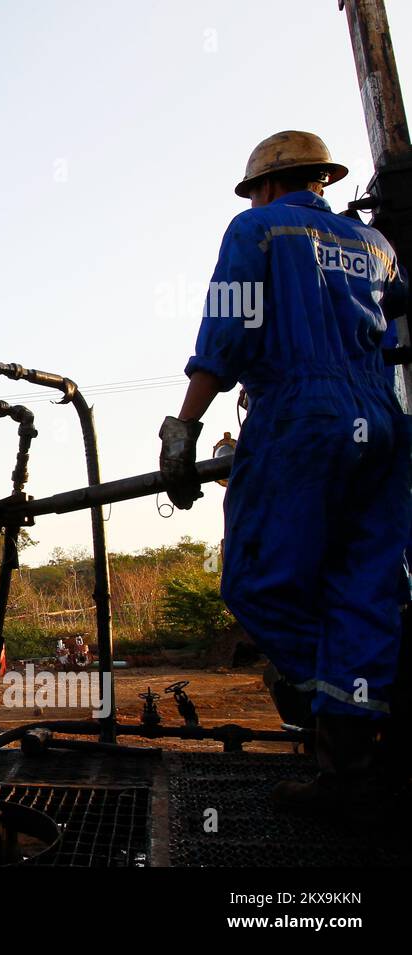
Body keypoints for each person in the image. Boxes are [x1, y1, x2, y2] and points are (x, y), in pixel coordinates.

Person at [160, 130, 411, 812]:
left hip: (303, 417)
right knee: (362, 587)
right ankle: (356, 762)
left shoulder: (260, 229)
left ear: (265, 187)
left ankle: (341, 720)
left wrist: (184, 426)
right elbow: (395, 323)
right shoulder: (381, 247)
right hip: (384, 423)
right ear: (321, 180)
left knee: (257, 580)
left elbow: (228, 333)